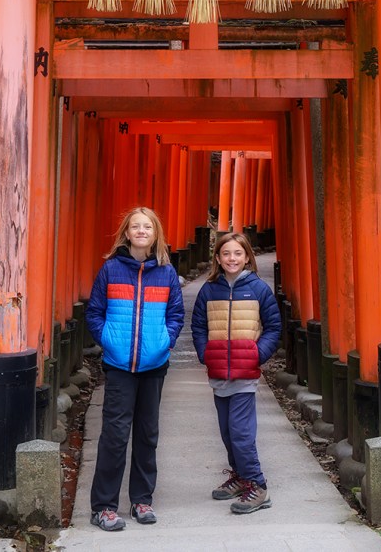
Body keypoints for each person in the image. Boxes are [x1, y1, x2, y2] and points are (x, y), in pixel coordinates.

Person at [85, 206, 185, 532]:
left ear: (156, 234)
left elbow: (176, 314)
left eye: (148, 227)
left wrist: (164, 342)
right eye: (135, 227)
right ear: (126, 233)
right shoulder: (111, 269)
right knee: (114, 436)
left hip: (154, 365)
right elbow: (94, 312)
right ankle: (103, 506)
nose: (141, 231)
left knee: (147, 434)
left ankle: (142, 499)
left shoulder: (166, 272)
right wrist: (108, 341)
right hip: (119, 366)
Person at [191, 231, 282, 515]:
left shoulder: (258, 289)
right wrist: (206, 354)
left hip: (245, 373)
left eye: (238, 254)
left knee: (241, 433)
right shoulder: (209, 289)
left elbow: (274, 327)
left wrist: (257, 354)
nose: (232, 258)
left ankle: (258, 485)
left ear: (247, 257)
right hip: (219, 372)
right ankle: (241, 477)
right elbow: (197, 326)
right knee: (228, 433)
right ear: (217, 257)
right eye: (226, 253)